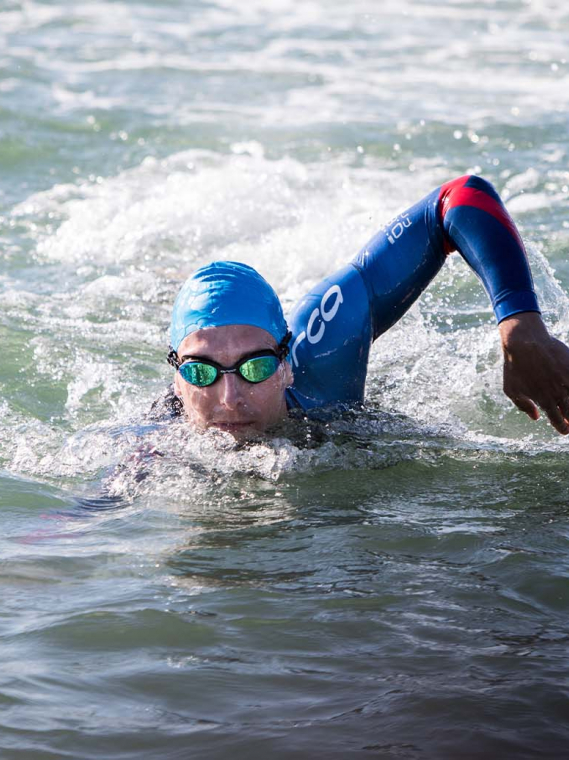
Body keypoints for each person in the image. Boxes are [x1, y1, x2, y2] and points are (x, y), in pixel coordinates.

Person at [164, 174, 569, 438]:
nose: (230, 397)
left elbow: (459, 196)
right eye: (201, 372)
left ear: (287, 366)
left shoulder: (323, 351)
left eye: (257, 367)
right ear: (178, 383)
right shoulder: (151, 450)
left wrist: (520, 323)